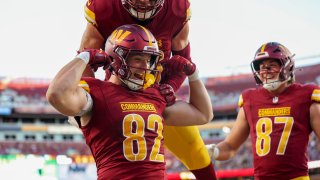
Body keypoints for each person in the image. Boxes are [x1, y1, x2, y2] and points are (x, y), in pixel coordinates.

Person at [47, 24, 216, 179]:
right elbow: (56, 94)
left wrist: (193, 74)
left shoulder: (154, 95)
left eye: (148, 60)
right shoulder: (97, 93)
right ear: (117, 58)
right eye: (137, 58)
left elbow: (203, 114)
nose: (145, 66)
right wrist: (84, 57)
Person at [206, 42, 320, 180]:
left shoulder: (306, 95)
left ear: (287, 66)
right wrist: (214, 151)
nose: (265, 71)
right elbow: (230, 146)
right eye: (261, 67)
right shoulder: (250, 99)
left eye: (271, 65)